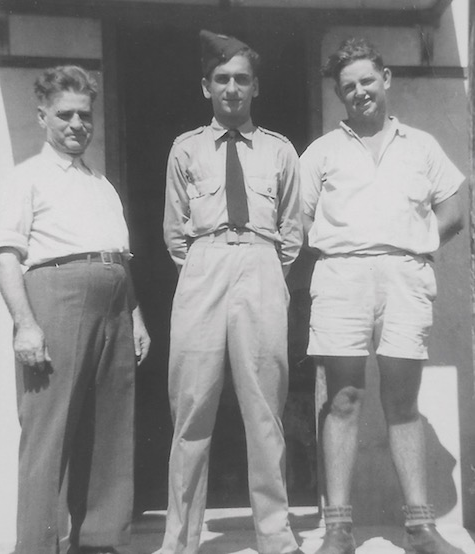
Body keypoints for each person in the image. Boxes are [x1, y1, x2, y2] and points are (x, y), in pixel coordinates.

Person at [299, 38, 465, 554]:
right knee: (343, 400)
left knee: (402, 400)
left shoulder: (422, 145)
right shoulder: (322, 152)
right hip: (342, 276)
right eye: (348, 87)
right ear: (339, 95)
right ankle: (338, 529)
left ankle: (419, 526)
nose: (360, 92)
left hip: (404, 277)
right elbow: (300, 219)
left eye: (367, 81)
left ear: (386, 79)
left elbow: (456, 208)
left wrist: (417, 244)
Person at [0, 65, 150, 554]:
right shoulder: (26, 178)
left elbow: (117, 255)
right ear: (42, 117)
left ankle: (100, 543)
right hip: (56, 300)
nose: (77, 124)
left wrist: (136, 317)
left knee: (110, 432)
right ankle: (36, 547)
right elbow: (6, 255)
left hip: (115, 306)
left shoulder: (100, 182)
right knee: (48, 435)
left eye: (84, 114)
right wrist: (25, 325)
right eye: (65, 115)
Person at [161, 30, 303, 554]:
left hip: (262, 268)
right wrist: (206, 263)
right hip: (203, 266)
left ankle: (274, 535)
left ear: (256, 87)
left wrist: (263, 271)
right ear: (206, 87)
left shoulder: (281, 151)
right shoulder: (185, 150)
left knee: (265, 407)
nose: (232, 88)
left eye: (242, 79)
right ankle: (179, 539)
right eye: (222, 79)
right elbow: (175, 231)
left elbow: (292, 232)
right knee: (192, 405)